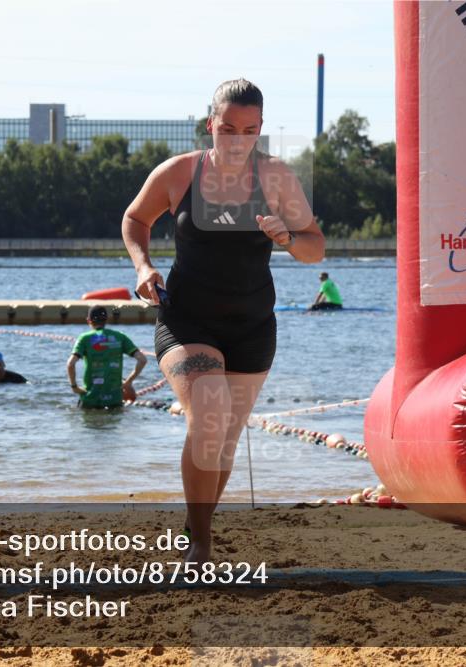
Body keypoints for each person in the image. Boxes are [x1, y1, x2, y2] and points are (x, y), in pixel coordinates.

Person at [121, 78, 325, 564]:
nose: (237, 140)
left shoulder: (275, 178)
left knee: (224, 442)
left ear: (259, 132)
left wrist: (288, 239)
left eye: (249, 130)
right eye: (227, 128)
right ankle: (202, 545)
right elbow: (135, 220)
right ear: (210, 124)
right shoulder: (179, 173)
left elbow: (314, 244)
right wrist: (143, 266)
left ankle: (196, 526)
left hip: (253, 324)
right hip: (187, 317)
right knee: (208, 421)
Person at [67, 306, 147, 408]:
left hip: (90, 399)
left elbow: (70, 364)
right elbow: (142, 360)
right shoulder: (120, 336)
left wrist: (74, 387)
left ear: (88, 320)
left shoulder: (85, 338)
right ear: (106, 320)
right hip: (115, 399)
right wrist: (128, 382)